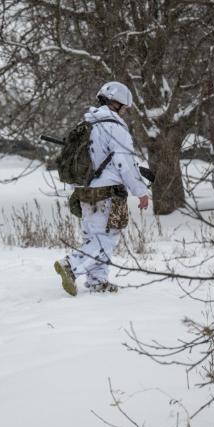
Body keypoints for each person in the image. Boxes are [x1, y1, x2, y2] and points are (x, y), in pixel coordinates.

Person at [54, 81, 150, 295]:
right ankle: (71, 264)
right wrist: (141, 192)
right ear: (117, 104)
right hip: (107, 195)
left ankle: (98, 282)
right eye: (125, 108)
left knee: (95, 238)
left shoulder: (86, 126)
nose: (125, 113)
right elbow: (125, 165)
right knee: (106, 238)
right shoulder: (115, 128)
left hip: (84, 193)